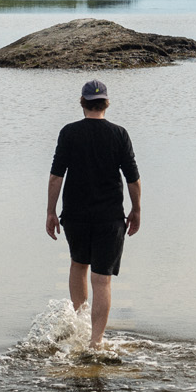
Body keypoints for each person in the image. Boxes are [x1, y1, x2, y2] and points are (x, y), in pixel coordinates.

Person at [44, 77, 142, 351]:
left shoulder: (69, 132)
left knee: (78, 265)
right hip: (110, 217)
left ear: (83, 103)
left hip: (75, 216)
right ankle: (95, 341)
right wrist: (136, 209)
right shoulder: (119, 134)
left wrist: (50, 212)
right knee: (102, 279)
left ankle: (80, 326)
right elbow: (133, 178)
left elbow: (56, 176)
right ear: (106, 103)